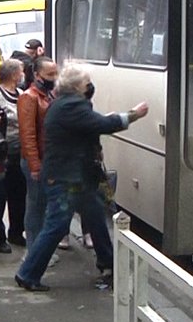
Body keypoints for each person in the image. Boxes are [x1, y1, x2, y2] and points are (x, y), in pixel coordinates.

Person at [16, 64, 149, 291]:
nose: (90, 87)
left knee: (96, 216)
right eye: (87, 83)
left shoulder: (65, 103)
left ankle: (108, 265)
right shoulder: (71, 106)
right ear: (77, 86)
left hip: (76, 177)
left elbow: (88, 125)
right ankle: (28, 274)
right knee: (56, 225)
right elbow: (103, 124)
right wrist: (134, 114)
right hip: (66, 178)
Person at [0, 60, 27, 252]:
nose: (23, 75)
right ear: (13, 75)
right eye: (21, 72)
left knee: (19, 193)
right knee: (0, 195)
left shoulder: (21, 95)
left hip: (20, 150)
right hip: (1, 152)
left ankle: (17, 232)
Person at [18, 58, 57, 251]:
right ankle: (34, 250)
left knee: (41, 206)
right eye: (50, 74)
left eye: (55, 74)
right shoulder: (30, 97)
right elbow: (28, 135)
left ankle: (38, 249)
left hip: (45, 159)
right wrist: (34, 165)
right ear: (37, 75)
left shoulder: (47, 95)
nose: (53, 78)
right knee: (35, 207)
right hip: (36, 161)